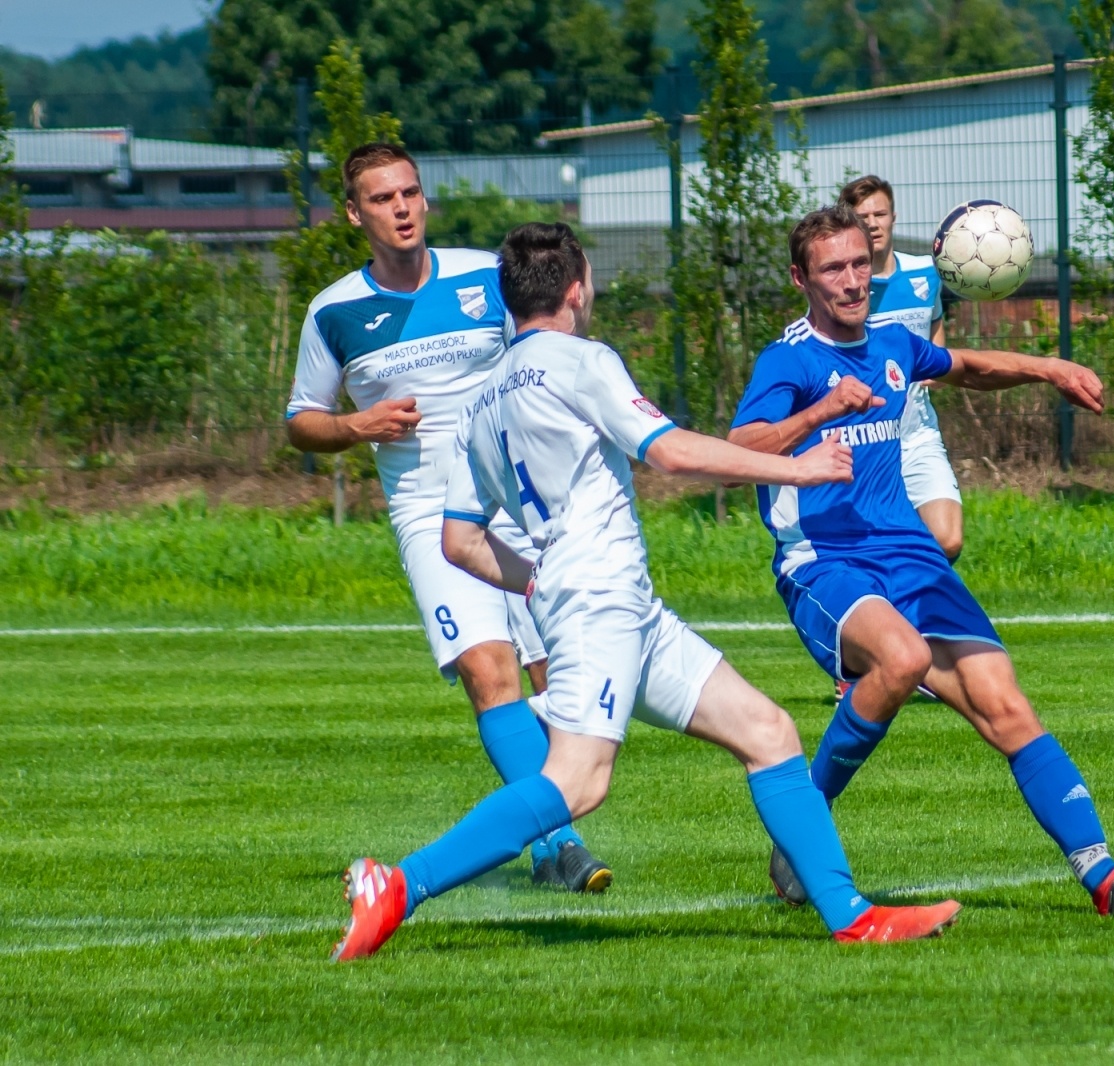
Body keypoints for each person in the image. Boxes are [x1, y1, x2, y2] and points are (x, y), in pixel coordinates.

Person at [331, 222, 962, 960]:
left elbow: (459, 540)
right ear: (576, 289)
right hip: (600, 601)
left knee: (769, 732)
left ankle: (849, 914)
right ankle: (400, 884)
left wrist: (539, 581)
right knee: (579, 781)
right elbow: (671, 453)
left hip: (616, 603)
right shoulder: (582, 359)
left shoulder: (484, 399)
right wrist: (800, 468)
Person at [727, 205, 1114, 917]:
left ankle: (1103, 879)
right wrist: (817, 416)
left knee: (1006, 705)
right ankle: (803, 827)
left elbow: (966, 367)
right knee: (902, 660)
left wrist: (1048, 367)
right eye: (832, 270)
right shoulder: (788, 359)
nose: (851, 282)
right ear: (800, 279)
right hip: (825, 560)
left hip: (910, 557)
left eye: (858, 264)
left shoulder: (891, 342)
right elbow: (739, 451)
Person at [285, 142, 608, 895]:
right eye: (381, 198)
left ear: (424, 199)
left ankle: (542, 827)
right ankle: (559, 845)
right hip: (429, 514)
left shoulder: (482, 276)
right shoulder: (334, 311)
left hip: (518, 500)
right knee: (486, 673)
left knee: (550, 675)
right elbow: (301, 419)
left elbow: (550, 348)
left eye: (409, 193)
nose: (400, 208)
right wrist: (356, 427)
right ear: (354, 212)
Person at [838, 175, 962, 561]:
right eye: (863, 216)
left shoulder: (926, 272)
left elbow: (935, 330)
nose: (873, 222)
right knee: (872, 548)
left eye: (880, 213)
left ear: (894, 217)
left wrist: (935, 370)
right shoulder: (845, 288)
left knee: (948, 539)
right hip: (867, 434)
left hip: (918, 431)